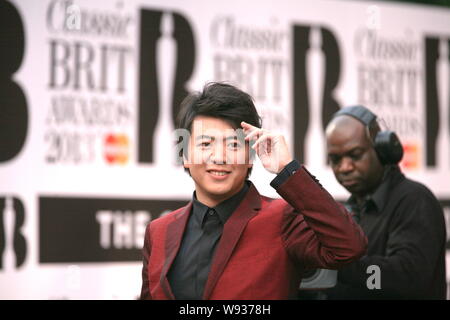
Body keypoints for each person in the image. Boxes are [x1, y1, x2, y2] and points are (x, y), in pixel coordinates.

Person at [140, 82, 367, 300]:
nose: (219, 157)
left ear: (250, 156)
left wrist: (288, 170)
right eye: (205, 144)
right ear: (186, 156)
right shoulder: (158, 232)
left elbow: (349, 247)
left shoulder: (282, 219)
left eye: (233, 145)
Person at [324, 105, 447, 299]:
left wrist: (336, 268)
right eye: (335, 159)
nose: (345, 167)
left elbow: (407, 278)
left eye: (355, 155)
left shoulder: (415, 200)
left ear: (383, 150)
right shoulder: (347, 211)